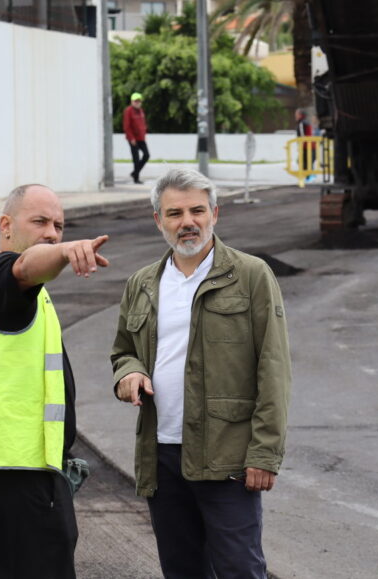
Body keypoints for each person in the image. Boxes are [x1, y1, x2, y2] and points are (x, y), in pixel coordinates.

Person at [110, 168, 291, 579]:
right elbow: (123, 351)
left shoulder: (250, 275)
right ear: (159, 220)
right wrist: (129, 374)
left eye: (197, 210)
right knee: (182, 570)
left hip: (227, 456)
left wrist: (264, 454)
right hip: (162, 455)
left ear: (215, 214)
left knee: (238, 569)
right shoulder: (142, 284)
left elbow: (274, 367)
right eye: (174, 213)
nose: (187, 222)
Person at [0, 184, 110, 579]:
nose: (52, 233)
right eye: (39, 222)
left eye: (58, 226)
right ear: (6, 225)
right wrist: (62, 252)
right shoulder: (1, 276)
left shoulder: (22, 294)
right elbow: (26, 266)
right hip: (19, 472)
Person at [124, 92, 150, 184]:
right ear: (132, 101)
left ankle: (135, 172)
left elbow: (143, 124)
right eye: (135, 101)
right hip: (133, 139)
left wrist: (144, 133)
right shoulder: (128, 111)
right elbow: (127, 126)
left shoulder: (141, 111)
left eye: (139, 101)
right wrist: (131, 138)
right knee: (136, 158)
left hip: (141, 138)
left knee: (146, 155)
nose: (137, 103)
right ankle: (136, 178)